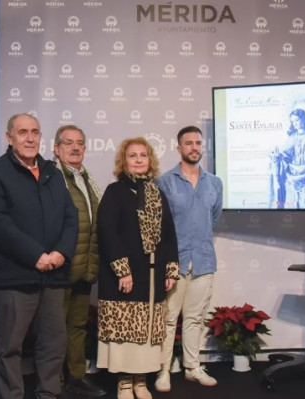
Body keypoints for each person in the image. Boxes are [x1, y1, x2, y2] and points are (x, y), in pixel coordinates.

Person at [0, 113, 78, 399]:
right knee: (10, 347)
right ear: (9, 138)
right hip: (14, 277)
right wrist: (36, 255)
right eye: (23, 132)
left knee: (53, 344)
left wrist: (60, 253)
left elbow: (71, 218)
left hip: (53, 276)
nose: (30, 137)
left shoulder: (53, 172)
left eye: (35, 131)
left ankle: (48, 393)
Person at [97, 137, 179, 399]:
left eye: (143, 155)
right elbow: (108, 234)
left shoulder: (157, 193)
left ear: (150, 160)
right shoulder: (115, 192)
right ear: (124, 161)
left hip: (153, 274)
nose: (139, 160)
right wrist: (123, 270)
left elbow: (169, 235)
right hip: (126, 275)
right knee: (126, 331)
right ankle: (124, 382)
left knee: (147, 332)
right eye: (133, 156)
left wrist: (170, 270)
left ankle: (141, 381)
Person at [155, 126, 223, 392]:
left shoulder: (214, 182)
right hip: (174, 263)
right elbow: (159, 223)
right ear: (179, 148)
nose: (194, 147)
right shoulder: (165, 181)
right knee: (169, 319)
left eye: (198, 142)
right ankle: (163, 370)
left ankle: (192, 368)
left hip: (204, 261)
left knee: (194, 319)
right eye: (188, 143)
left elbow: (213, 217)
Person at [53, 125, 107, 397]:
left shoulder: (88, 180)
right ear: (56, 148)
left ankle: (76, 377)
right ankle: (55, 383)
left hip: (85, 268)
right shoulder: (52, 177)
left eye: (80, 143)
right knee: (55, 329)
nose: (75, 148)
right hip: (60, 268)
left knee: (76, 327)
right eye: (68, 143)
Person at [270, 108, 305, 208]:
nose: (295, 123)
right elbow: (285, 156)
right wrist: (277, 158)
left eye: (297, 120)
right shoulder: (292, 138)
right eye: (293, 121)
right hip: (293, 175)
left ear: (303, 119)